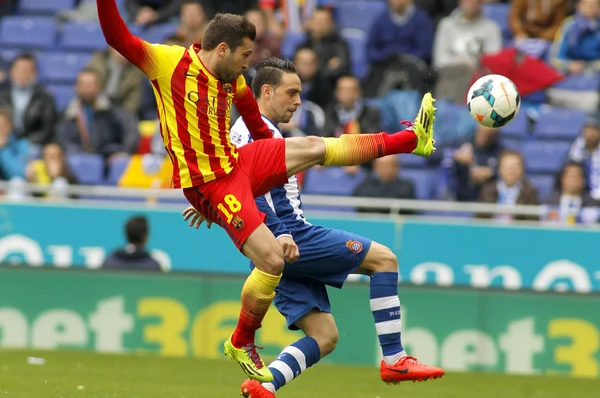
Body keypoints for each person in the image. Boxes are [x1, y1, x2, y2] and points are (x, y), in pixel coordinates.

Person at [86, 0, 436, 382]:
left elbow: (253, 119)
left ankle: (411, 140)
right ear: (222, 49)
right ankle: (241, 340)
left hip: (237, 167)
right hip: (210, 184)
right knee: (270, 258)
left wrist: (281, 160)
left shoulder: (232, 79)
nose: (247, 65)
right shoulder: (168, 63)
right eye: (245, 56)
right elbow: (118, 37)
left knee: (310, 145)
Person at [184, 58, 444, 397]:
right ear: (266, 91)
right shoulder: (253, 131)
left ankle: (264, 388)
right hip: (291, 235)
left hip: (275, 247)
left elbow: (238, 187)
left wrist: (212, 205)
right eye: (291, 93)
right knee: (384, 260)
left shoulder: (248, 131)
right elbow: (257, 194)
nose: (297, 102)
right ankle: (394, 358)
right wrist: (281, 233)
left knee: (324, 337)